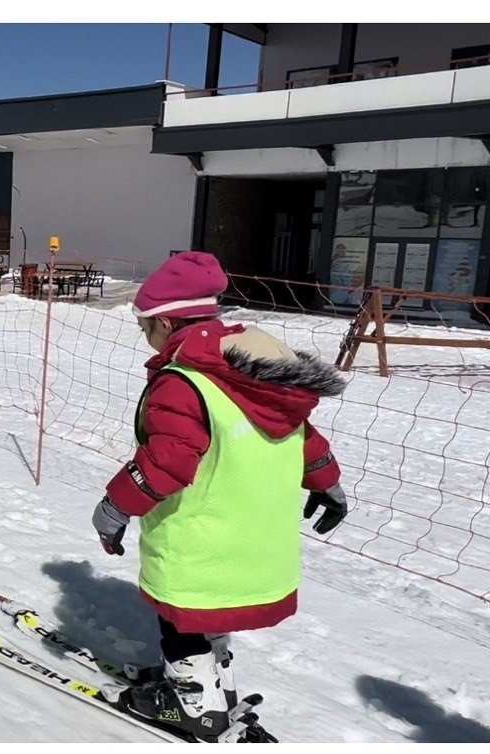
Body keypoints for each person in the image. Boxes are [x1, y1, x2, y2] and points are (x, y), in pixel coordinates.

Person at [89, 251, 348, 739]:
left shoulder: (184, 382)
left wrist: (116, 505)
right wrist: (326, 480)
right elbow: (302, 433)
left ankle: (194, 706)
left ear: (165, 323)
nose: (147, 339)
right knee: (207, 614)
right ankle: (212, 684)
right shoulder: (251, 369)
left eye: (147, 328)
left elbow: (167, 460)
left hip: (201, 530)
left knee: (182, 612)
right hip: (258, 530)